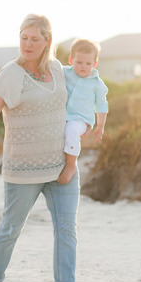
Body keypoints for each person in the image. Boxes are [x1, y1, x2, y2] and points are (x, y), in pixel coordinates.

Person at [0, 14, 92, 282]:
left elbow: (84, 93)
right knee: (11, 228)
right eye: (23, 38)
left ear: (47, 42)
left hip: (61, 168)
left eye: (34, 39)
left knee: (67, 230)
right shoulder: (9, 74)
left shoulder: (57, 69)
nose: (28, 44)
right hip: (23, 169)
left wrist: (90, 121)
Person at [58, 37, 108, 183]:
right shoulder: (64, 73)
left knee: (71, 130)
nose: (83, 66)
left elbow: (101, 105)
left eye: (88, 63)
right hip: (62, 116)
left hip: (81, 120)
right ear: (70, 60)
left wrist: (100, 125)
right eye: (79, 62)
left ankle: (71, 164)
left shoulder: (97, 84)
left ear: (95, 63)